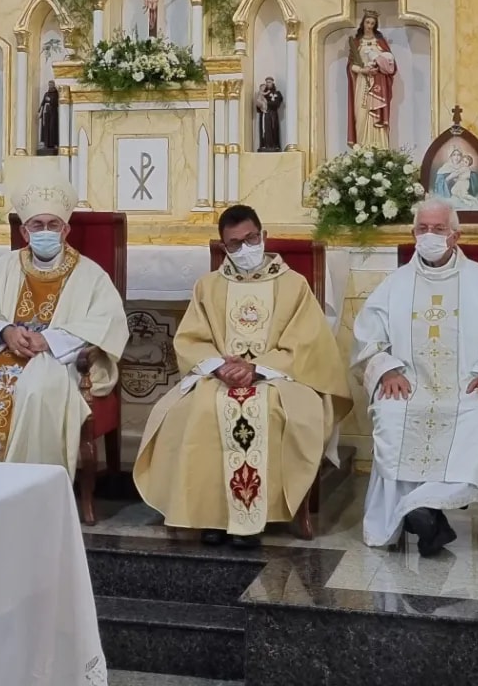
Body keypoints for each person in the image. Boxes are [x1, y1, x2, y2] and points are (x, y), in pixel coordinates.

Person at [134, 205, 351, 547]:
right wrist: (219, 367)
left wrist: (255, 368)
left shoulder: (293, 285)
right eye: (235, 244)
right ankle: (211, 516)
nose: (245, 248)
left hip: (278, 379)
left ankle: (252, 519)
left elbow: (307, 344)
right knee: (198, 410)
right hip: (218, 377)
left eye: (251, 239)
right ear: (224, 247)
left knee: (272, 412)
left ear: (263, 236)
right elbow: (191, 340)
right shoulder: (209, 286)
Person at [350, 199, 478, 555]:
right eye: (423, 229)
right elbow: (366, 340)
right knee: (391, 412)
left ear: (455, 235)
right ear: (413, 233)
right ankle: (427, 517)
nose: (429, 235)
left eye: (438, 229)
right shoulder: (394, 285)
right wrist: (386, 369)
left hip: (468, 387)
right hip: (410, 384)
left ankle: (420, 506)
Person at [0, 169, 128, 474]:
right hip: (0, 351)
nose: (45, 231)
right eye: (37, 225)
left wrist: (49, 339)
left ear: (65, 230)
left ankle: (29, 485)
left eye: (53, 225)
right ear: (25, 232)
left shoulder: (90, 274)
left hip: (58, 360)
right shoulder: (4, 266)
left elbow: (106, 322)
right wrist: (5, 331)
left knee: (34, 392)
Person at [347, 9, 396, 148]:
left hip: (378, 83)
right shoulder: (357, 43)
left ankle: (380, 148)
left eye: (372, 23)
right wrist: (363, 70)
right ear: (363, 23)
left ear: (375, 25)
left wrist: (378, 66)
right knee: (361, 115)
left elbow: (390, 65)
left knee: (376, 115)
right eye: (367, 22)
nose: (369, 26)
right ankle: (362, 149)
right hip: (362, 83)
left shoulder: (380, 42)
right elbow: (351, 66)